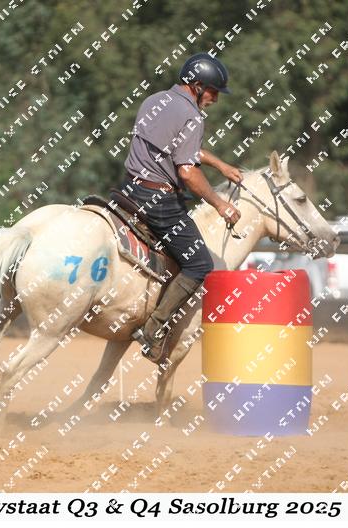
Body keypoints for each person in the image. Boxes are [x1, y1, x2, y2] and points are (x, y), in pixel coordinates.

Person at [123, 52, 243, 363]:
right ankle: (152, 330)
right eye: (213, 91)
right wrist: (220, 204)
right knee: (200, 264)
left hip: (129, 190)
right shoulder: (192, 115)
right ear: (197, 85)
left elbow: (178, 147)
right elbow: (187, 172)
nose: (215, 99)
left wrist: (220, 165)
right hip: (159, 202)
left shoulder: (154, 100)